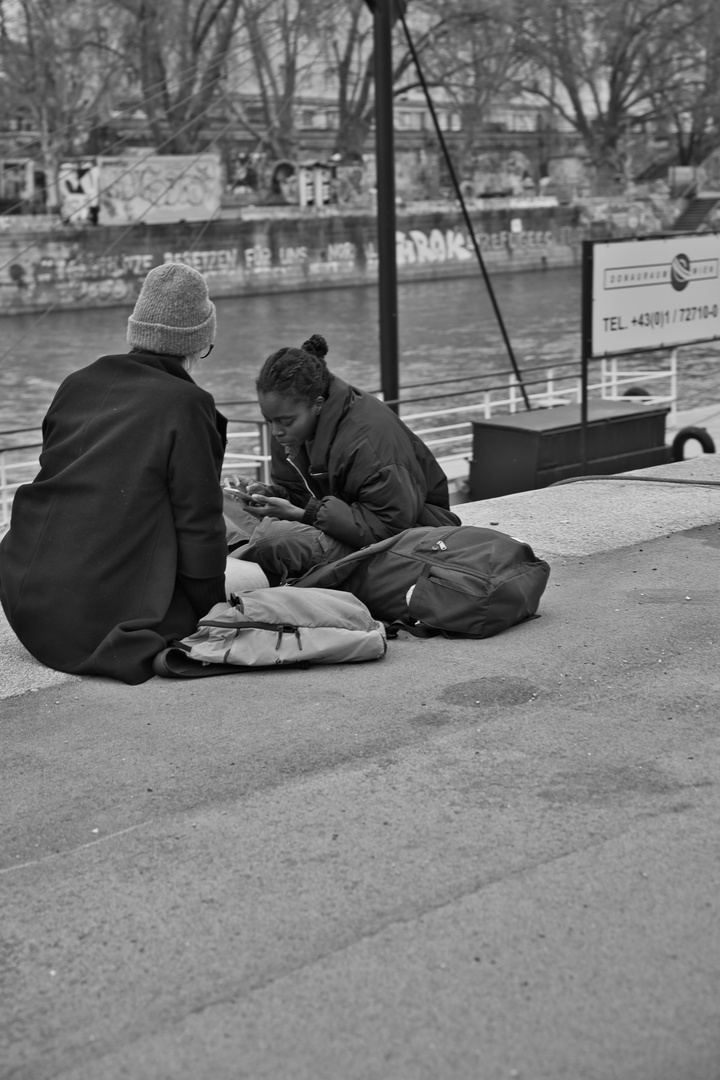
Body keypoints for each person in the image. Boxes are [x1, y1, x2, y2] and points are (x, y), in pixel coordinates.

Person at [0, 262, 265, 685]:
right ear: (197, 344)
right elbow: (198, 523)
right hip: (103, 618)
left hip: (28, 601)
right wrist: (212, 610)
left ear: (136, 331)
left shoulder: (75, 383)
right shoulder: (188, 404)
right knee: (252, 578)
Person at [228, 333, 461, 583]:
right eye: (268, 420)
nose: (275, 431)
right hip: (341, 527)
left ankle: (232, 576)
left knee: (274, 540)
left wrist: (304, 515)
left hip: (409, 541)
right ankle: (237, 565)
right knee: (222, 500)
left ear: (317, 405)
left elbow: (389, 528)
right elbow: (302, 498)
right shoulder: (291, 428)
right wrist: (269, 495)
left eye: (285, 422)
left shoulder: (368, 440)